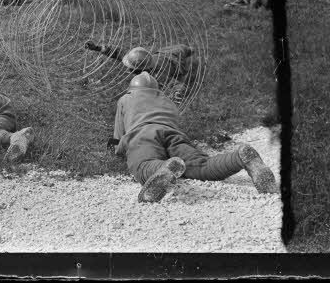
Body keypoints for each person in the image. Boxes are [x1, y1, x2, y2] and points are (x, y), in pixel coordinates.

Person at [111, 72, 278, 202]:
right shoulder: (166, 100)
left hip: (142, 135)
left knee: (143, 164)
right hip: (174, 135)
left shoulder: (125, 99)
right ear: (156, 89)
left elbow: (119, 135)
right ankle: (241, 158)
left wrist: (119, 148)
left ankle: (163, 168)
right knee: (202, 166)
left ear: (132, 89)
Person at [84, 41, 199, 101]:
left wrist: (178, 93)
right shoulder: (139, 58)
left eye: (130, 67)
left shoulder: (158, 75)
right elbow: (117, 52)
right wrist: (97, 47)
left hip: (176, 63)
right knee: (184, 48)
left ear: (138, 70)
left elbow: (177, 85)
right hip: (164, 53)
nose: (127, 67)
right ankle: (191, 50)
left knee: (187, 54)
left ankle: (194, 54)